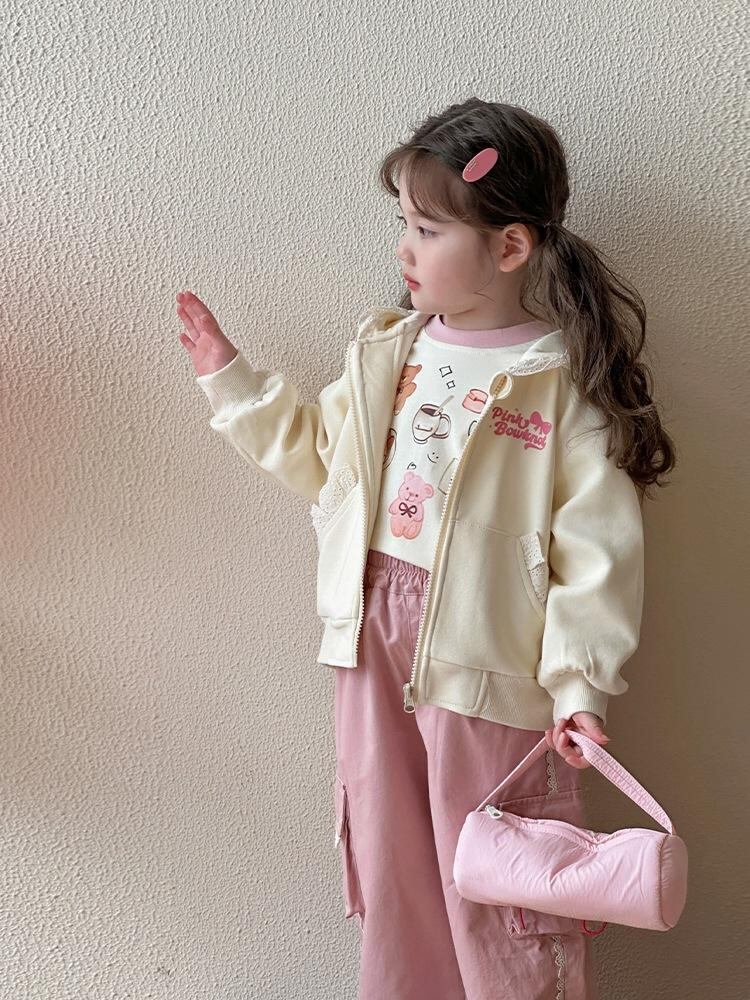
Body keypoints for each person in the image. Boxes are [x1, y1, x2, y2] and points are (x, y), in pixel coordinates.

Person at [175, 98, 676, 1000]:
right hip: (369, 638)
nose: (404, 248)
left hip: (488, 661)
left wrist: (578, 685)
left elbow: (596, 553)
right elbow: (324, 460)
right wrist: (232, 382)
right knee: (392, 858)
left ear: (510, 247)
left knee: (494, 874)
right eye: (404, 224)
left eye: (428, 230)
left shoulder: (558, 383)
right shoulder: (388, 352)